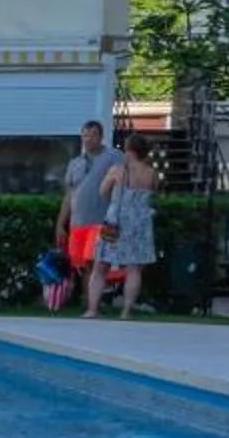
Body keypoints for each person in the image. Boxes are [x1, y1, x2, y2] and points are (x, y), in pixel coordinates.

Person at [57, 120, 122, 311]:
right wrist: (61, 224)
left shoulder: (113, 157)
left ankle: (94, 305)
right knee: (84, 265)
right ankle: (90, 304)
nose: (88, 139)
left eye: (93, 135)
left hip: (102, 221)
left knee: (98, 263)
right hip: (78, 222)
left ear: (101, 137)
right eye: (85, 135)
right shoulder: (75, 163)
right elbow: (69, 195)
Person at [96, 138, 161, 318]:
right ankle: (126, 310)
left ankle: (92, 308)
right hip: (140, 222)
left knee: (101, 263)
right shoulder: (151, 173)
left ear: (128, 150)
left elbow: (102, 192)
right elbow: (154, 193)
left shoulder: (118, 170)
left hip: (114, 221)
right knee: (134, 268)